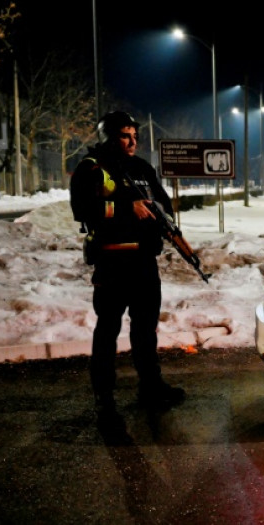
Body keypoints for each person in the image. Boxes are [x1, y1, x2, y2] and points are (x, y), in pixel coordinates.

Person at [70, 111, 185, 428]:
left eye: (135, 135)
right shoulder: (91, 168)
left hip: (144, 264)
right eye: (125, 135)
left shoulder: (141, 168)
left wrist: (165, 220)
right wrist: (125, 207)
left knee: (145, 330)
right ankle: (104, 398)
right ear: (108, 137)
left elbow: (161, 201)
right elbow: (82, 209)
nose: (133, 141)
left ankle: (151, 387)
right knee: (107, 331)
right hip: (112, 263)